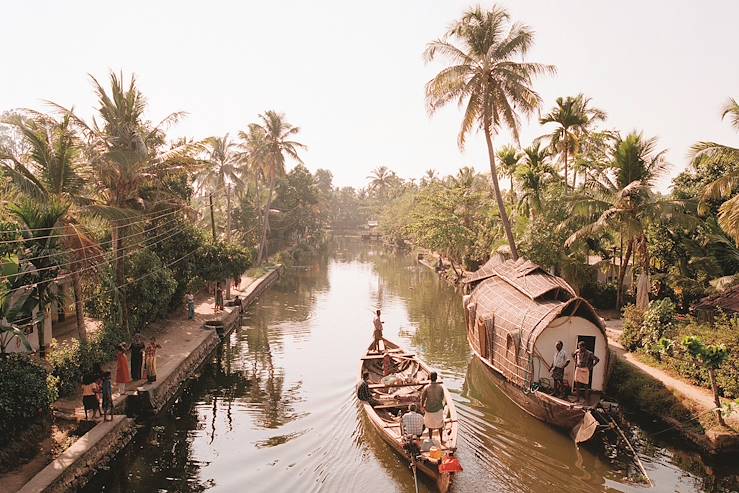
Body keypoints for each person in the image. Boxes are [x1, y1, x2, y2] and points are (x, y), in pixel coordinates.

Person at [420, 371, 445, 443]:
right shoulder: (440, 387)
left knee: (430, 426)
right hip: (438, 409)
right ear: (436, 378)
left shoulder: (426, 387)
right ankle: (441, 440)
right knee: (440, 425)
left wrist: (422, 406)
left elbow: (423, 398)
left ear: (430, 378)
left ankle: (430, 439)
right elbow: (442, 397)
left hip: (429, 409)